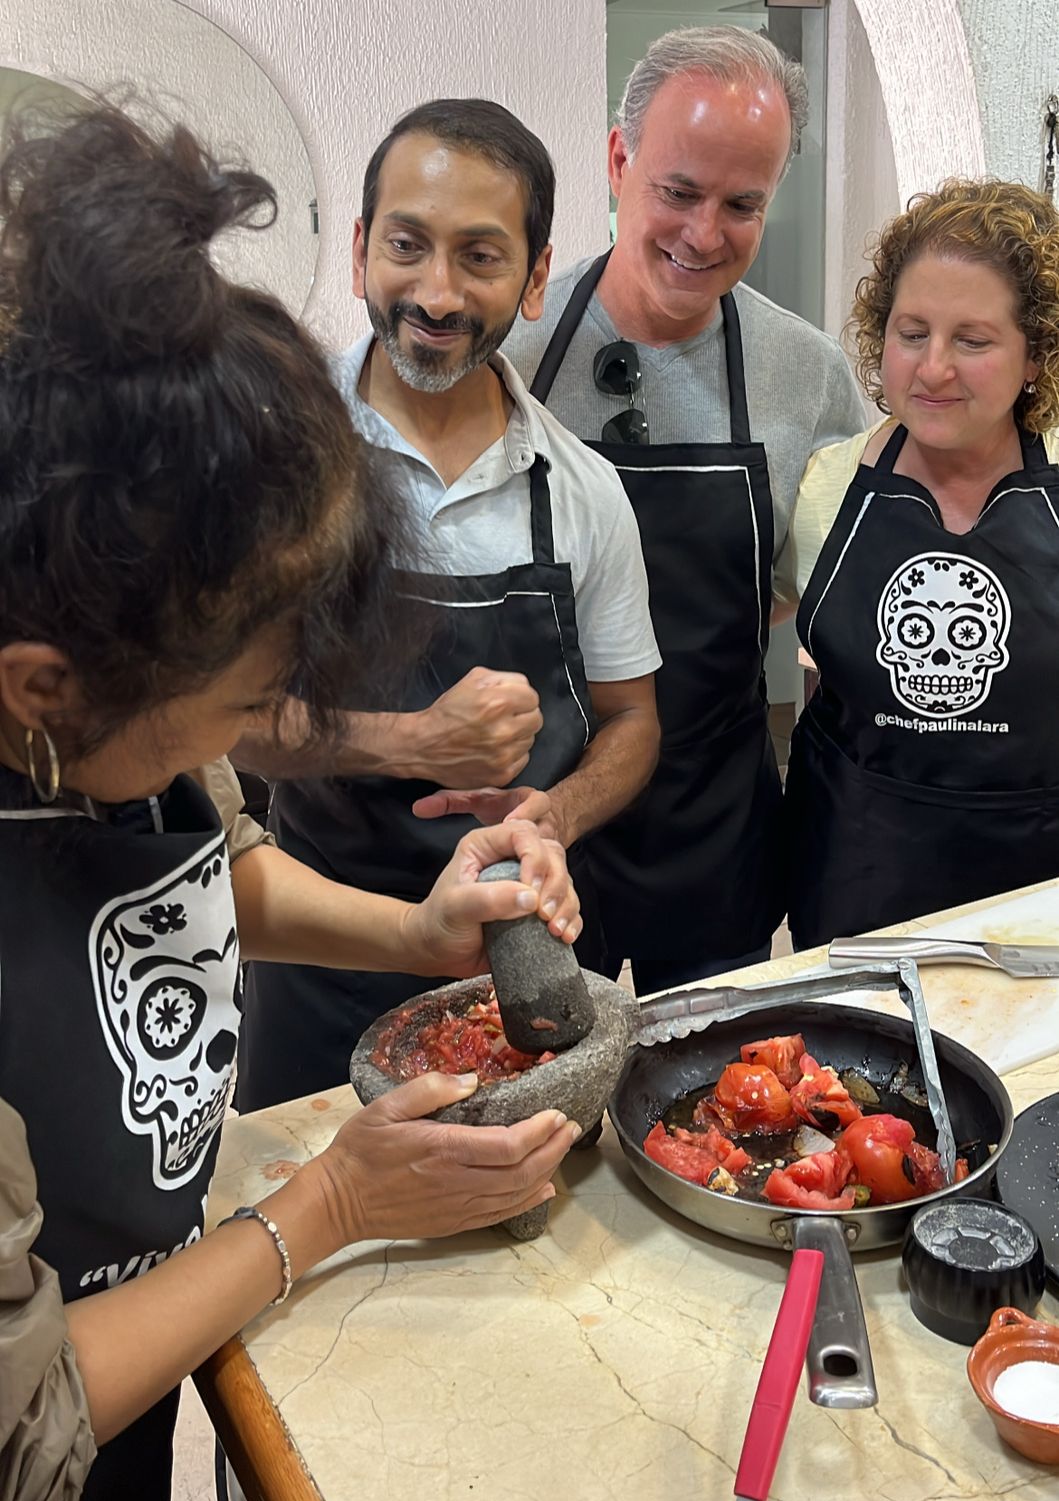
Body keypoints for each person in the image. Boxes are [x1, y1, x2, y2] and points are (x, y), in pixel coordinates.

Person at [0, 104, 585, 1501]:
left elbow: (213, 868)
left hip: (135, 1368)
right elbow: (16, 1448)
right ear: (43, 688)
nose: (255, 727)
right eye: (236, 705)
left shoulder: (110, 671)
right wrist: (326, 1205)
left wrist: (416, 934)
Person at [234, 98, 661, 1110]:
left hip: (517, 959)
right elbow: (218, 730)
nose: (436, 292)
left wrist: (556, 811)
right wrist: (413, 741)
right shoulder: (272, 459)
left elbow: (633, 722)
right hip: (319, 948)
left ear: (535, 277)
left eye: (478, 256)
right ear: (359, 251)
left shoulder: (584, 489)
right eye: (407, 245)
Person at [503, 26, 865, 994]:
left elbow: (817, 580)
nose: (704, 235)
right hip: (537, 824)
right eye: (678, 191)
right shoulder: (511, 352)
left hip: (716, 830)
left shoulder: (807, 376)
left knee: (717, 1079)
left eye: (742, 205)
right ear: (618, 161)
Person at [779, 178, 1059, 948]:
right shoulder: (823, 488)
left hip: (1038, 897)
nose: (932, 369)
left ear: (1034, 355)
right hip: (854, 877)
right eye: (911, 333)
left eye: (972, 340)